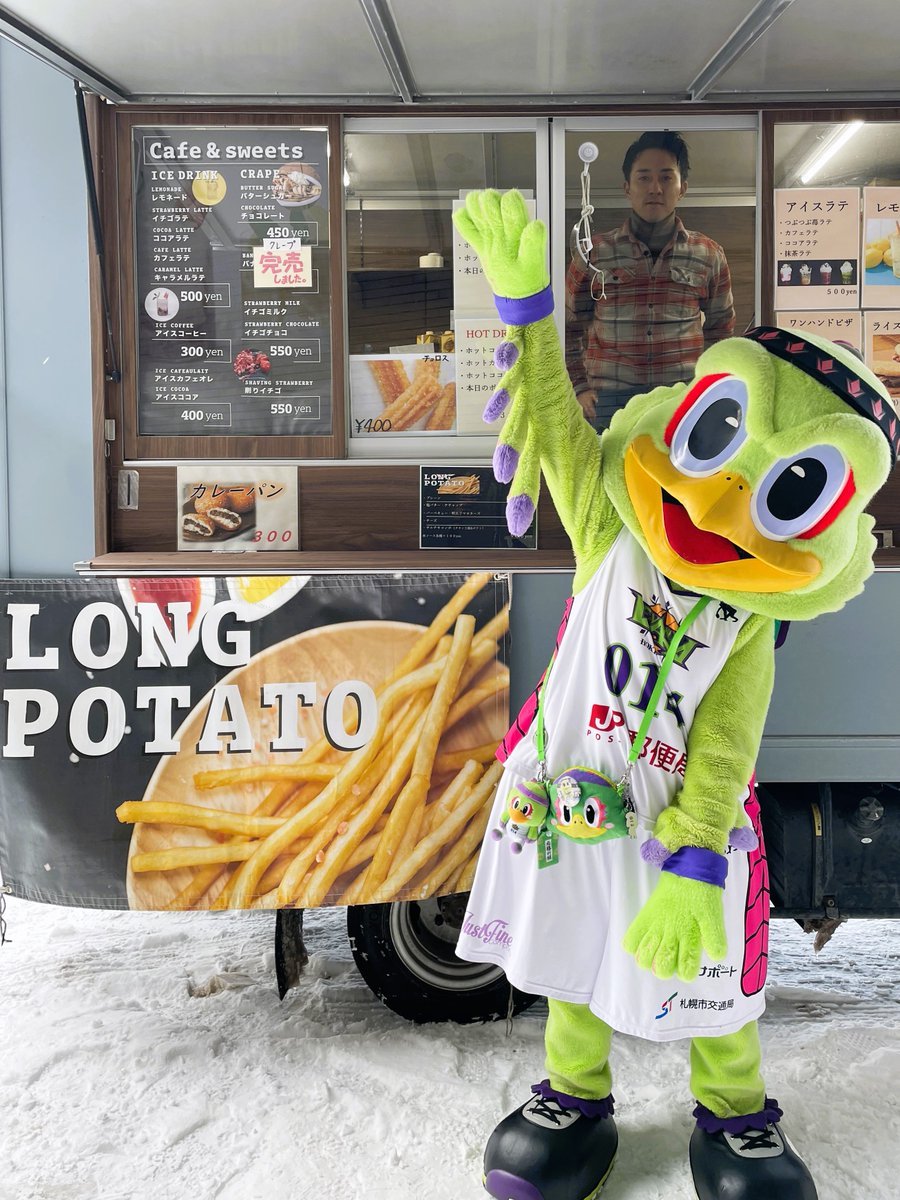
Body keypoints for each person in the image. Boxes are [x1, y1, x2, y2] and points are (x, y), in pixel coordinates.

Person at [566, 130, 736, 430]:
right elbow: (568, 328)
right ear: (627, 187)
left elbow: (721, 330)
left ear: (682, 187)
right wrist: (579, 388)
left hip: (682, 400)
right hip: (607, 403)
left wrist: (709, 388)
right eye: (644, 178)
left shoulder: (709, 254)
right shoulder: (594, 253)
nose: (655, 188)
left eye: (666, 177)